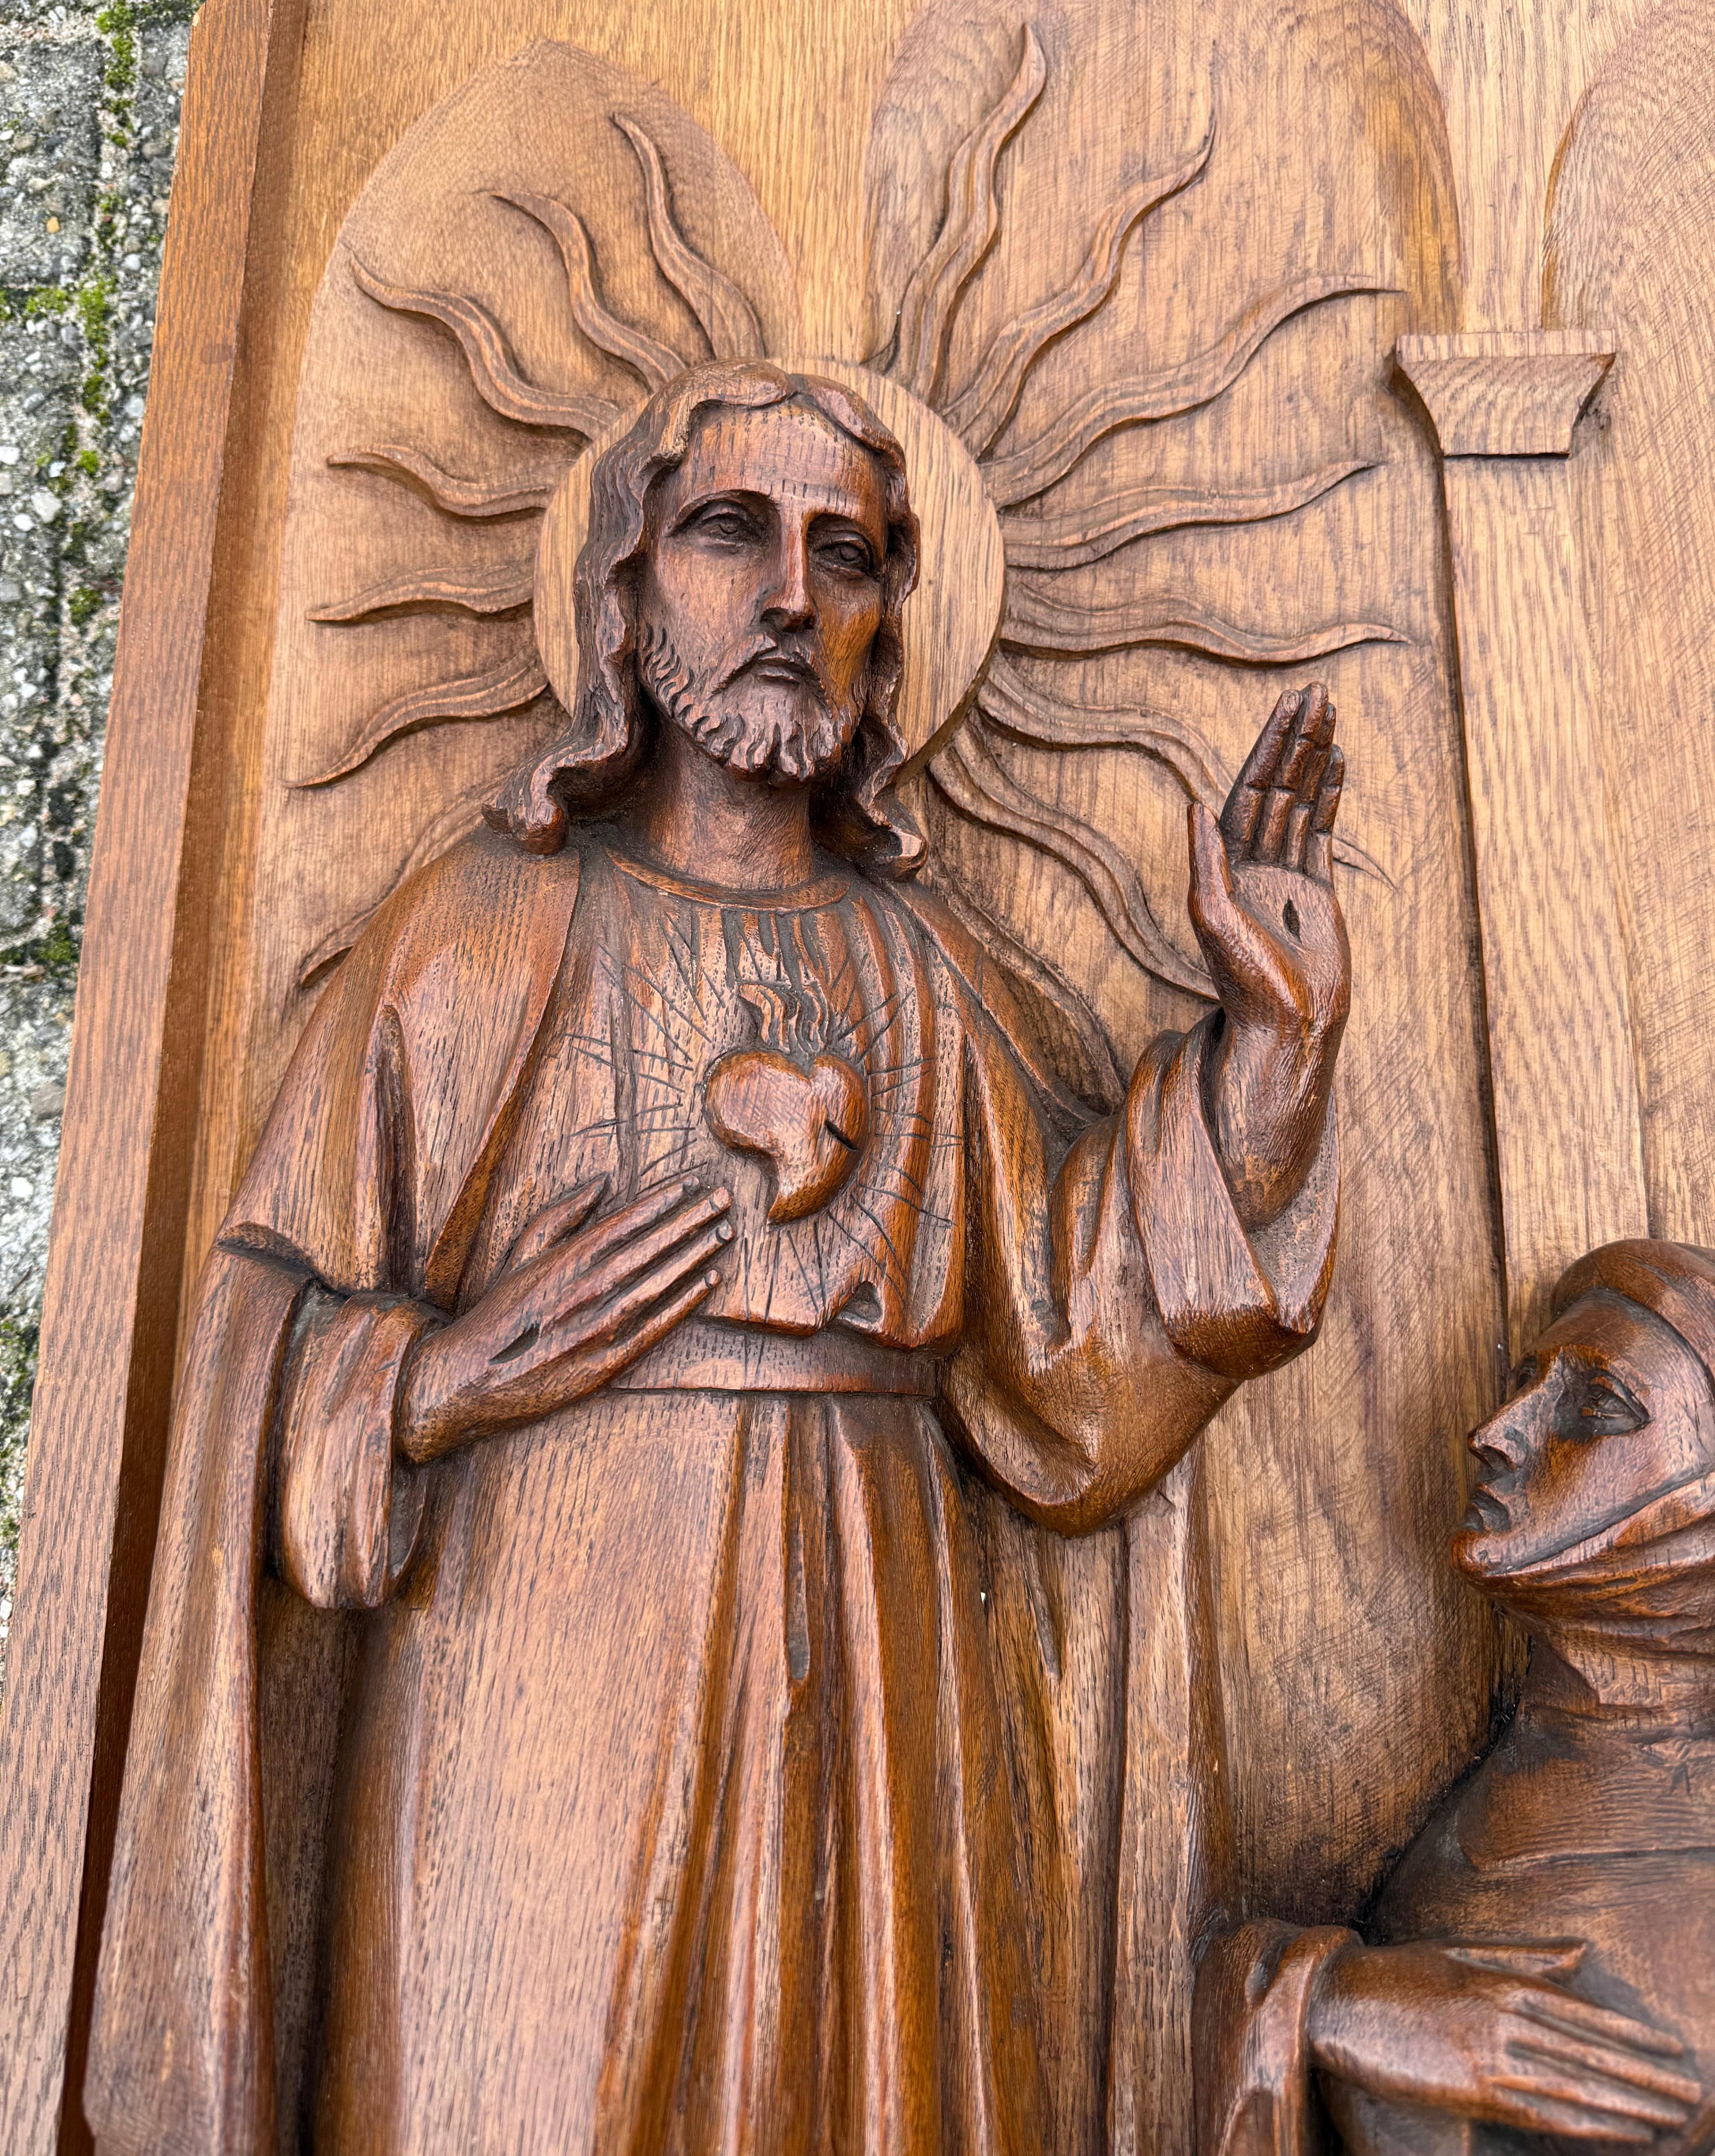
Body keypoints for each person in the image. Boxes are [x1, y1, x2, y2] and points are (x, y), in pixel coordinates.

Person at [88, 362, 1350, 2154]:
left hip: (876, 1686)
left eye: (846, 557)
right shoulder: (480, 937)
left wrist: (1275, 1051)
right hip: (533, 1705)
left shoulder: (933, 974)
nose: (788, 598)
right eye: (731, 532)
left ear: (886, 633)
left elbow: (1084, 1349)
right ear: (623, 591)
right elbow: (248, 1346)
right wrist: (447, 1376)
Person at [1196, 1237, 1715, 2154]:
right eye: (1525, 1383)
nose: (1498, 1429)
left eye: (1594, 1404)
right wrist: (1326, 2002)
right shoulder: (1492, 1814)